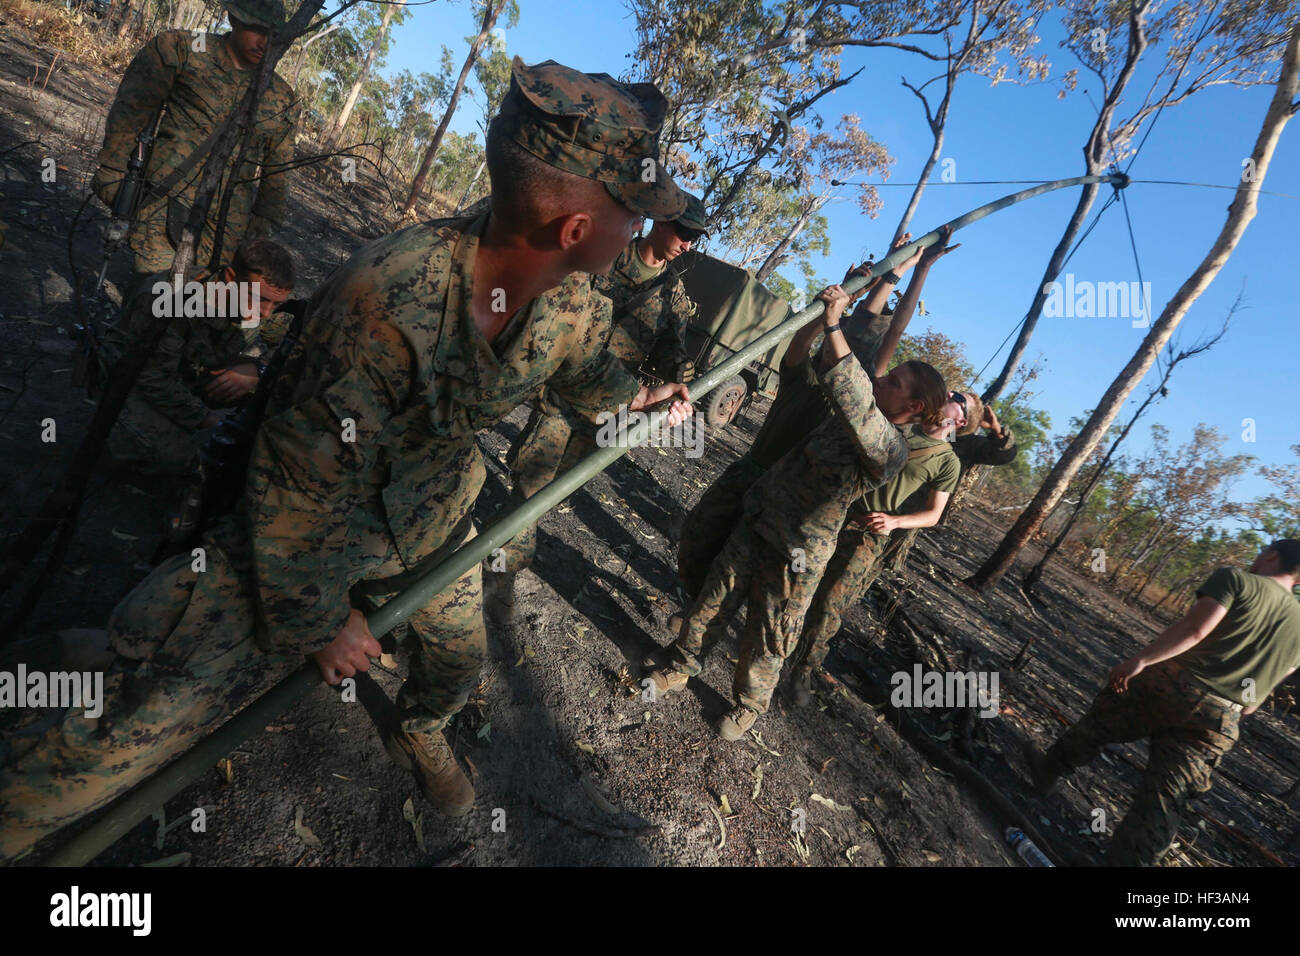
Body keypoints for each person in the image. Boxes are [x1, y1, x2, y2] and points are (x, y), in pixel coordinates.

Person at [0, 57, 693, 862]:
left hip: (427, 517)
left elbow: (588, 381)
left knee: (459, 654)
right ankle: (82, 676)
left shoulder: (572, 301)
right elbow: (290, 482)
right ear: (574, 230)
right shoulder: (386, 301)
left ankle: (421, 732)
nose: (641, 232)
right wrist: (323, 619)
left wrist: (645, 400)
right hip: (299, 531)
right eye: (634, 214)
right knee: (118, 740)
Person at [653, 229, 958, 693]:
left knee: (758, 608)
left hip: (791, 518)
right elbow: (824, 337)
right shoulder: (817, 380)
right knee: (702, 548)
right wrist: (865, 286)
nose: (881, 375)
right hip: (756, 484)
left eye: (888, 375)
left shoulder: (866, 409)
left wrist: (909, 271)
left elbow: (889, 329)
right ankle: (695, 618)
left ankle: (732, 670)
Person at [485, 195, 707, 619]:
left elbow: (672, 353)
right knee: (532, 481)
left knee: (557, 488)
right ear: (661, 223)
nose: (688, 244)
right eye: (684, 233)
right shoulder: (609, 253)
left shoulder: (673, 296)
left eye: (696, 239)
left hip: (610, 404)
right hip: (566, 387)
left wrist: (684, 386)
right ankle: (503, 571)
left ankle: (508, 546)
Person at [1025, 540, 1300, 866]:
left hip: (1172, 685)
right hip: (1223, 717)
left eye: (1262, 550)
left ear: (1271, 555)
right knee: (1167, 798)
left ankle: (1049, 770)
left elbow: (1196, 630)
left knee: (1099, 724)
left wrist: (1141, 660)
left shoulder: (1237, 580)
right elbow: (1263, 691)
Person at [91, 0, 299, 287]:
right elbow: (132, 110)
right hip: (164, 202)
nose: (264, 43)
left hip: (227, 224)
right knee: (156, 294)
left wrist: (264, 220)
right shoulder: (183, 50)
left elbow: (278, 167)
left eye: (273, 36)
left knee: (203, 306)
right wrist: (112, 170)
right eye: (256, 30)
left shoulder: (280, 96)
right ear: (233, 19)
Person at [788, 391, 969, 705]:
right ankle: (771, 641)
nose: (949, 394)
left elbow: (934, 515)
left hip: (868, 532)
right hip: (834, 510)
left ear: (962, 420)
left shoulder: (947, 461)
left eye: (958, 398)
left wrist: (895, 522)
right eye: (950, 390)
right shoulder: (904, 424)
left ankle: (803, 668)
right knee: (794, 574)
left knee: (832, 601)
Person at [101, 238, 295, 477]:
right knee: (183, 456)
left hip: (190, 376)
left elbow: (294, 347)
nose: (267, 312)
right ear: (231, 278)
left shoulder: (258, 298)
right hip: (133, 380)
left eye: (276, 304)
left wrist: (258, 370)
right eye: (261, 299)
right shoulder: (169, 298)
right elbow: (152, 379)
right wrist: (211, 423)